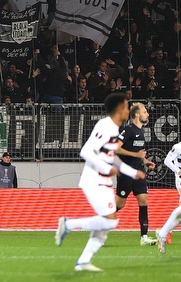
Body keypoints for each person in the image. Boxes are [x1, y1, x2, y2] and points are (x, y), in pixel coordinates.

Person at [55, 93, 147, 272]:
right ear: (120, 109)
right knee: (110, 222)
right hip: (93, 179)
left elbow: (114, 159)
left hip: (104, 181)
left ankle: (83, 262)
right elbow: (87, 151)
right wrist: (106, 169)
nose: (128, 110)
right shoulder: (104, 126)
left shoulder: (114, 129)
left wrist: (132, 172)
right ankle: (67, 224)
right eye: (127, 107)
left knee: (105, 228)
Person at [114, 101, 157, 245]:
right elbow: (117, 148)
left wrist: (145, 161)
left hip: (139, 172)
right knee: (120, 205)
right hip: (125, 173)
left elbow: (139, 153)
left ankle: (144, 237)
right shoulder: (128, 130)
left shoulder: (141, 131)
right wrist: (135, 155)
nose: (147, 114)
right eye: (145, 112)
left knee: (144, 200)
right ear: (137, 115)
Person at [156, 122, 181, 253]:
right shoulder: (179, 147)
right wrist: (177, 170)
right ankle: (163, 232)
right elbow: (167, 161)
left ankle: (163, 233)